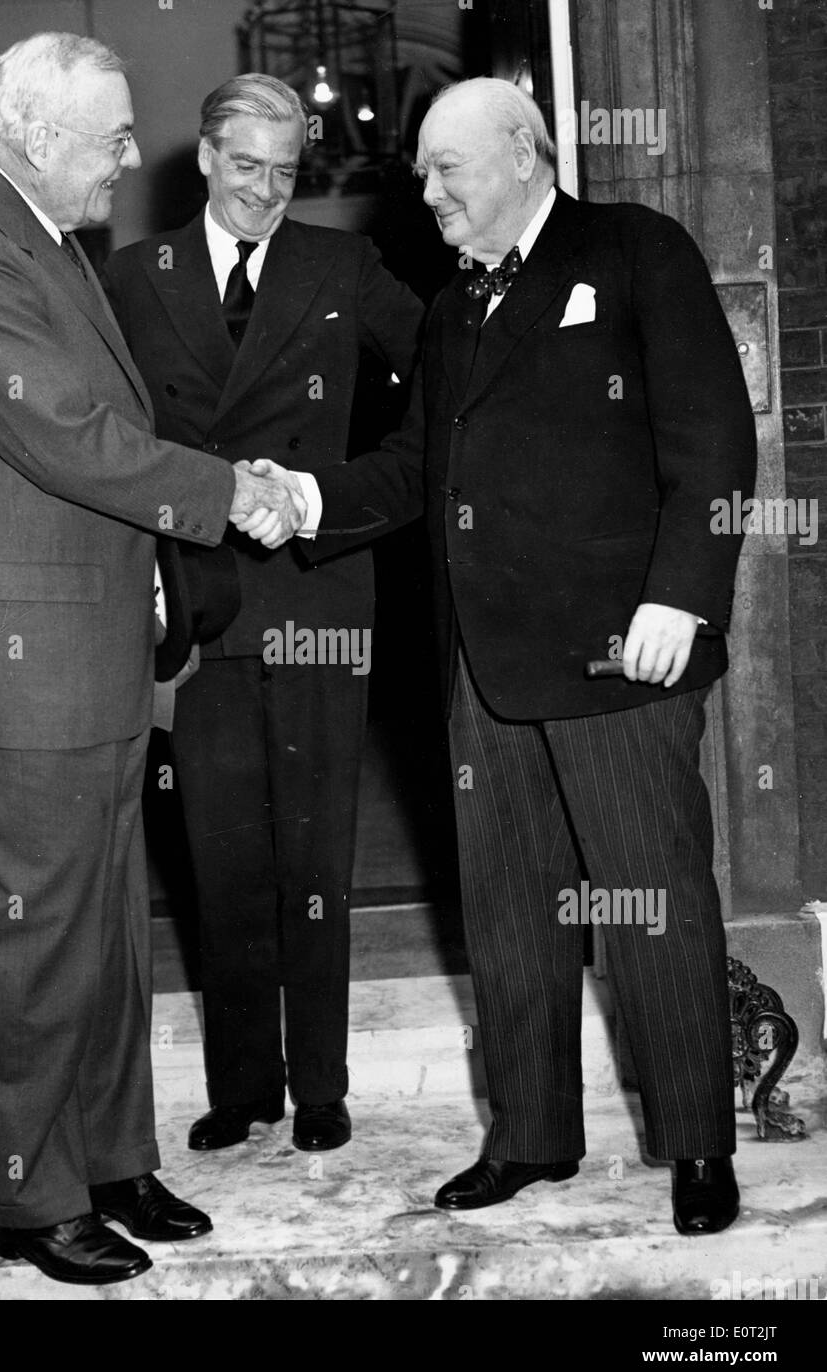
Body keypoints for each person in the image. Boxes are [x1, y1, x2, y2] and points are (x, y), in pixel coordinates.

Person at [271, 76, 757, 1233]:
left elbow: (714, 436)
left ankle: (695, 1145)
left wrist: (681, 599)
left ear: (527, 155)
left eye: (448, 169)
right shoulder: (450, 309)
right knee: (506, 918)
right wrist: (301, 494)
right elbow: (406, 471)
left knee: (652, 907)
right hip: (478, 671)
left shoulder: (635, 250)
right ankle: (531, 1136)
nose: (426, 192)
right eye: (422, 173)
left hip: (616, 658)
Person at [0, 32, 300, 1286]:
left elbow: (110, 425)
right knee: (38, 944)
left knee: (111, 936)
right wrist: (232, 491)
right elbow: (69, 439)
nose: (133, 161)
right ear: (29, 131)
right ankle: (30, 1199)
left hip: (94, 653)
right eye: (114, 138)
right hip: (22, 670)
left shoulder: (44, 239)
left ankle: (114, 1161)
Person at [101, 75, 424, 1155]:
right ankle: (243, 1082)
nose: (265, 193)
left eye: (287, 174)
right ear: (201, 156)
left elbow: (446, 373)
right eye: (245, 168)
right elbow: (99, 439)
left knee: (317, 848)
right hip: (196, 599)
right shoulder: (131, 280)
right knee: (219, 847)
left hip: (319, 591)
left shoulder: (343, 267)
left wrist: (356, 492)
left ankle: (323, 1081)